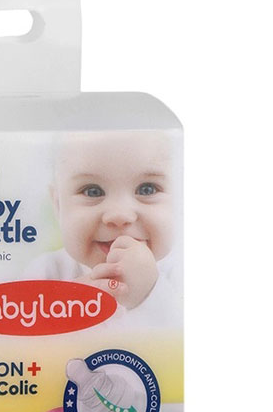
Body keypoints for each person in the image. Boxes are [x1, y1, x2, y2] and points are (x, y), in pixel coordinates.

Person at [25, 130, 180, 328]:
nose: (120, 215)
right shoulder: (46, 274)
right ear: (58, 206)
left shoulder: (178, 276)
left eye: (147, 189)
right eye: (93, 191)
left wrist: (150, 295)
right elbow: (14, 340)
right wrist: (62, 310)